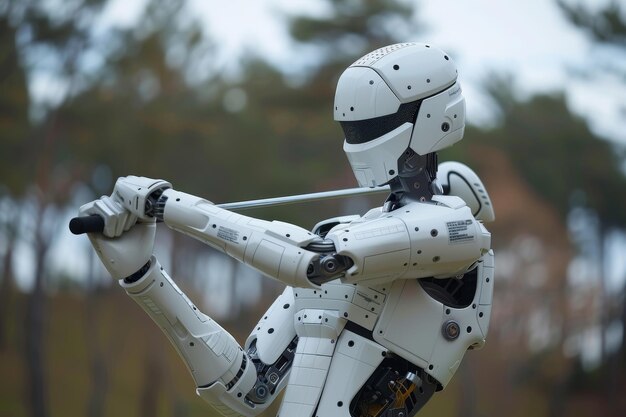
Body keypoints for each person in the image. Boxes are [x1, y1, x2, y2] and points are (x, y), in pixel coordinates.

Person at [75, 42, 495, 417]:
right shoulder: (347, 235)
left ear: (431, 116)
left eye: (373, 124)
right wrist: (144, 278)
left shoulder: (457, 231)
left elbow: (311, 262)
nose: (359, 139)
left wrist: (169, 205)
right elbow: (244, 391)